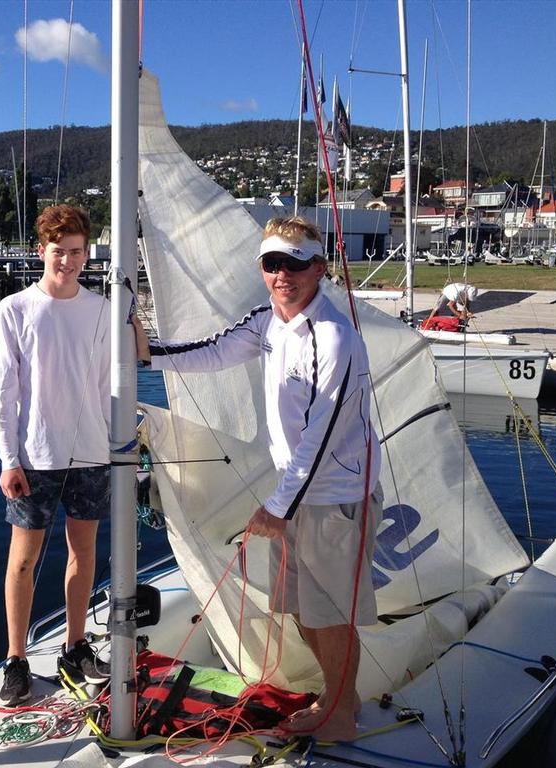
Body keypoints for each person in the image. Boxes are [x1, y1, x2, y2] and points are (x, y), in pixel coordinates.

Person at [134, 216, 382, 742]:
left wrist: (277, 507)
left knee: (331, 616)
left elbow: (323, 438)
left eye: (295, 263)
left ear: (318, 267)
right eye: (272, 263)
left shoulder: (333, 339)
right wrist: (145, 353)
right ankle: (341, 695)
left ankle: (340, 713)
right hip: (297, 500)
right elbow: (210, 352)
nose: (282, 274)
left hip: (333, 502)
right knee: (303, 613)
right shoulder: (267, 322)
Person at [0, 204, 111, 705]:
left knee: (83, 555)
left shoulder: (102, 308)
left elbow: (109, 384)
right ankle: (16, 658)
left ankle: (75, 645)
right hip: (34, 457)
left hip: (91, 454)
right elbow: (5, 391)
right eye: (59, 251)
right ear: (41, 250)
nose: (68, 260)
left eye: (77, 252)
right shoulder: (14, 308)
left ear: (88, 253)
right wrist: (7, 459)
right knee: (24, 560)